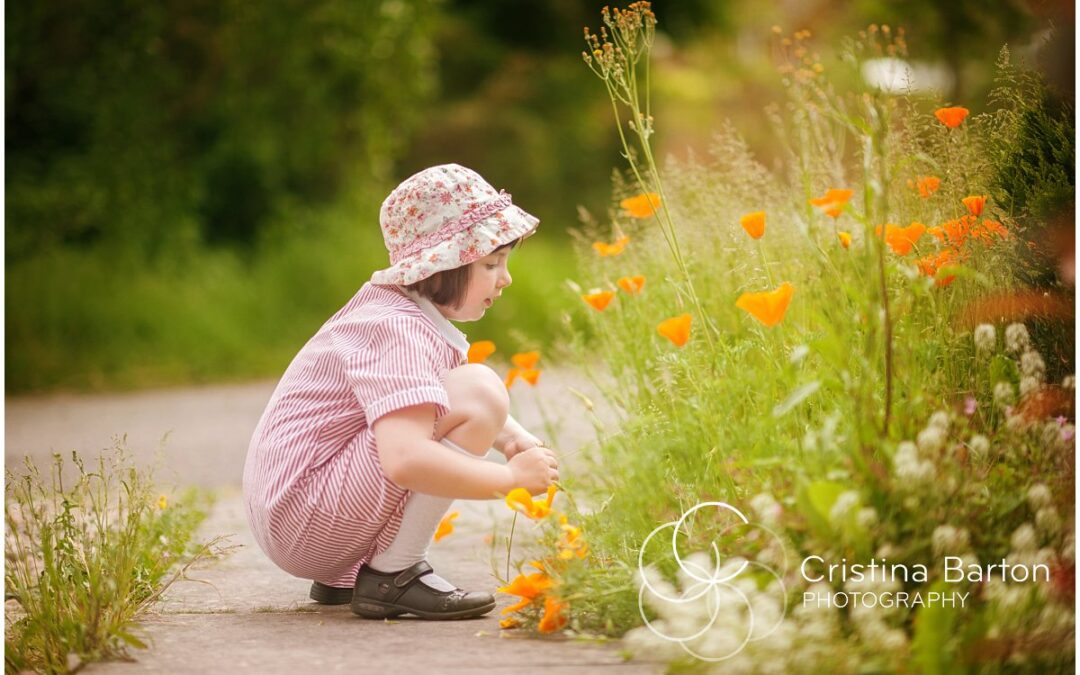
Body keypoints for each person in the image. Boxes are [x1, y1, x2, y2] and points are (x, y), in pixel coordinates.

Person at [242, 164, 559, 621]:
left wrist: (512, 440)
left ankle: (349, 577)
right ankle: (394, 574)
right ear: (442, 265)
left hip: (297, 515)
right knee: (481, 388)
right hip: (305, 516)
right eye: (491, 264)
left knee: (473, 391)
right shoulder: (397, 329)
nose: (504, 278)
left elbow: (436, 402)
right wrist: (509, 481)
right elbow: (406, 458)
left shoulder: (397, 314)